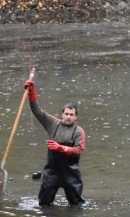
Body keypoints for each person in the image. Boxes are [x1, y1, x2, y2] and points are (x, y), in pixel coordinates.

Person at [24, 77, 86, 206]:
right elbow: (37, 111)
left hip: (71, 174)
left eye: (71, 115)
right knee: (44, 203)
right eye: (66, 114)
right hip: (52, 172)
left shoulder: (79, 131)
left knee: (76, 205)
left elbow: (78, 150)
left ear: (76, 117)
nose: (68, 117)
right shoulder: (52, 124)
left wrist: (61, 148)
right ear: (62, 114)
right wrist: (31, 92)